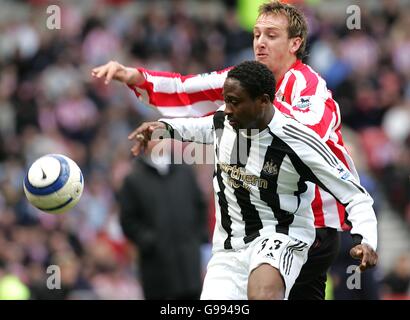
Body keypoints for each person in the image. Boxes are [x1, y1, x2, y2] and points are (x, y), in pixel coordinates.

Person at [92, 1, 370, 299]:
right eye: (257, 34)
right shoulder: (246, 82)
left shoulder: (308, 88)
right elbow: (188, 89)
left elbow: (303, 137)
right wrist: (133, 76)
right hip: (256, 227)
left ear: (295, 43)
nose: (260, 43)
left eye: (271, 35)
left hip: (307, 224)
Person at [127, 61, 378, 300]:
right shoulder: (226, 121)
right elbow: (202, 127)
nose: (226, 109)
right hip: (229, 248)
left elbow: (355, 194)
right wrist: (163, 128)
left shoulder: (298, 142)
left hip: (279, 236)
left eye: (234, 102)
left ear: (263, 102)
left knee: (262, 293)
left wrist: (365, 239)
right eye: (226, 101)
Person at [118, 138, 208, 300]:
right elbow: (128, 221)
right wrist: (150, 241)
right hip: (156, 268)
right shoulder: (133, 180)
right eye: (151, 138)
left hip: (189, 264)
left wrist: (197, 238)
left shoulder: (185, 172)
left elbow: (200, 206)